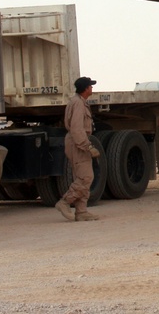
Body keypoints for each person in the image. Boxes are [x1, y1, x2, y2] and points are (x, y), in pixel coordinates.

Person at [56, 76, 101, 222]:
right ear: (86, 88)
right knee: (86, 177)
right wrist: (87, 146)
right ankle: (64, 202)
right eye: (90, 86)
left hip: (78, 142)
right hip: (78, 143)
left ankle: (81, 211)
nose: (92, 88)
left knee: (82, 176)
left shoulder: (80, 102)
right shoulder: (78, 104)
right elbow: (76, 128)